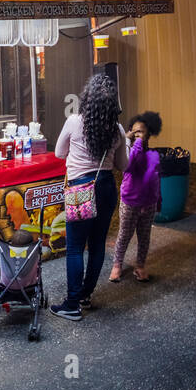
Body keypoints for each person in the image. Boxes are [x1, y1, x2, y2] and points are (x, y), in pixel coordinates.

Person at [49, 73, 129, 320]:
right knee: (97, 245)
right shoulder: (117, 129)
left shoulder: (74, 122)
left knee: (74, 248)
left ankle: (72, 304)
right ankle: (85, 295)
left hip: (80, 190)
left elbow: (59, 153)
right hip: (105, 188)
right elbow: (123, 166)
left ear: (88, 99)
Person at [111, 111, 163, 283]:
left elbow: (157, 178)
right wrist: (136, 142)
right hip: (130, 202)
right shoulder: (131, 153)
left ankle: (140, 265)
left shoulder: (154, 155)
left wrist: (159, 199)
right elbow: (129, 164)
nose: (137, 134)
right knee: (124, 234)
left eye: (141, 131)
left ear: (149, 133)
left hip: (149, 203)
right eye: (134, 131)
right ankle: (117, 264)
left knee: (144, 236)